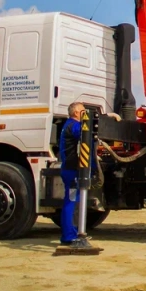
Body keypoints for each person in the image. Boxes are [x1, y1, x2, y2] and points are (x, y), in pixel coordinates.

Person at [59, 102, 87, 245]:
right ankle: (69, 236)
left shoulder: (68, 125)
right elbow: (85, 133)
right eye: (83, 111)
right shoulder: (73, 126)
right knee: (71, 202)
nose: (85, 113)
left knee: (73, 201)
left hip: (69, 169)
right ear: (76, 113)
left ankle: (71, 233)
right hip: (71, 171)